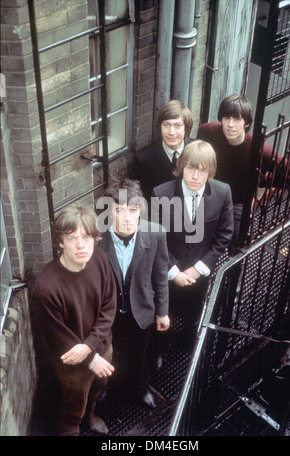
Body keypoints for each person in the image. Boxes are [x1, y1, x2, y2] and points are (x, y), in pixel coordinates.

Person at [33, 205, 117, 436]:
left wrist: (91, 347)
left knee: (99, 385)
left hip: (101, 345)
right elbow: (58, 336)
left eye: (86, 237)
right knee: (73, 406)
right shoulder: (46, 287)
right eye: (72, 238)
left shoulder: (99, 258)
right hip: (71, 360)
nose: (81, 245)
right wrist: (89, 358)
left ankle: (89, 417)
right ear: (60, 242)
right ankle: (70, 430)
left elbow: (109, 306)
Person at [152, 140, 234, 348]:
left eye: (202, 171)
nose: (196, 177)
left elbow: (225, 234)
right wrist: (172, 271)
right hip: (168, 271)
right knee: (164, 312)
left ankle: (188, 342)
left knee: (194, 312)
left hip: (199, 273)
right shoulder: (160, 193)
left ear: (210, 172)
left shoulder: (223, 192)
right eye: (190, 168)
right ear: (182, 167)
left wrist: (200, 268)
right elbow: (154, 238)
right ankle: (159, 349)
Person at [97, 178, 170, 409]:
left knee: (139, 353)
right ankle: (108, 384)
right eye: (120, 210)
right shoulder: (98, 239)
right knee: (112, 352)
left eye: (134, 209)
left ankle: (139, 385)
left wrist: (162, 312)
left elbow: (160, 277)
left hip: (141, 310)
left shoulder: (156, 234)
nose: (128, 217)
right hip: (109, 313)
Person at [196, 94, 290, 251]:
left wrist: (263, 184)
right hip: (209, 195)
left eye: (237, 119)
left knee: (236, 246)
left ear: (246, 122)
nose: (231, 125)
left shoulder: (258, 148)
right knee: (200, 240)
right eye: (227, 118)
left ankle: (233, 272)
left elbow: (289, 173)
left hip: (238, 202)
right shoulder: (208, 132)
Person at [131, 99, 194, 201]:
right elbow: (140, 199)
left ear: (186, 129)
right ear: (160, 127)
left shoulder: (196, 150)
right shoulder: (144, 159)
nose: (171, 132)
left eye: (177, 125)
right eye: (166, 125)